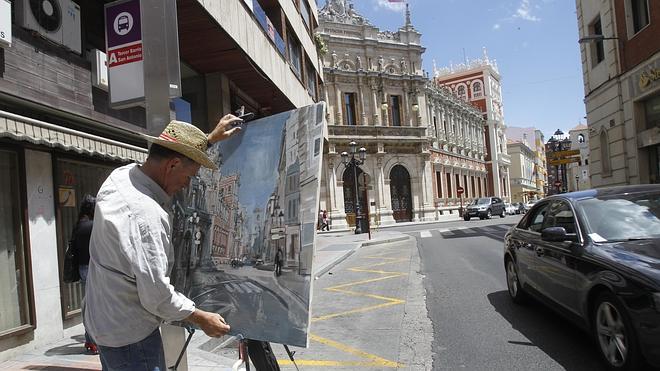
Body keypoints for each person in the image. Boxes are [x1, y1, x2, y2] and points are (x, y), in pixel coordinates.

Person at [84, 115, 242, 371]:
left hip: (104, 323)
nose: (187, 185)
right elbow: (157, 296)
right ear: (173, 165)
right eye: (189, 176)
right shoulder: (145, 216)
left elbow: (175, 157)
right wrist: (200, 317)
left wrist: (208, 140)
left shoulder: (121, 176)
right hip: (130, 338)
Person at [72, 194, 97, 354]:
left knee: (89, 305)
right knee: (95, 307)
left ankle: (90, 339)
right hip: (93, 269)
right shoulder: (93, 226)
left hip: (82, 269)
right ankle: (93, 341)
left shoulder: (78, 225)